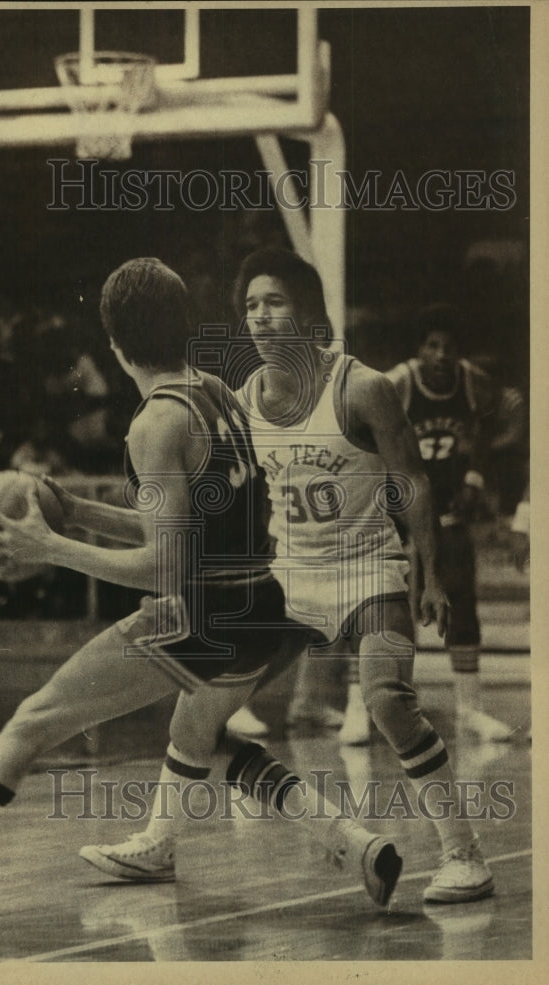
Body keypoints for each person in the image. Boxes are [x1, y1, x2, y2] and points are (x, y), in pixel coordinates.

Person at [0, 258, 402, 935]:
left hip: (205, 615)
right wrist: (74, 509)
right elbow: (182, 530)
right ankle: (353, 842)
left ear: (112, 342)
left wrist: (52, 549)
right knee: (203, 735)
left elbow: (165, 564)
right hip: (262, 608)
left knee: (32, 721)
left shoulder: (153, 425)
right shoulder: (216, 391)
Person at [79, 249, 495, 905]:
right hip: (290, 583)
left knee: (387, 700)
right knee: (200, 706)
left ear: (309, 312)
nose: (261, 317)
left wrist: (431, 574)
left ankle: (464, 857)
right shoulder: (241, 406)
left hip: (368, 573)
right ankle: (159, 842)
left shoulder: (364, 388)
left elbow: (411, 481)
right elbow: (202, 514)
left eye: (274, 302)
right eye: (250, 306)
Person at [384, 306, 512, 742]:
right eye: (431, 345)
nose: (440, 354)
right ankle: (372, 706)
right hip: (400, 509)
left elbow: (484, 436)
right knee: (388, 608)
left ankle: (469, 708)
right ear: (418, 349)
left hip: (448, 508)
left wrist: (474, 482)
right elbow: (368, 440)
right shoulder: (398, 382)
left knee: (461, 600)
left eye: (448, 347)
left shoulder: (474, 382)